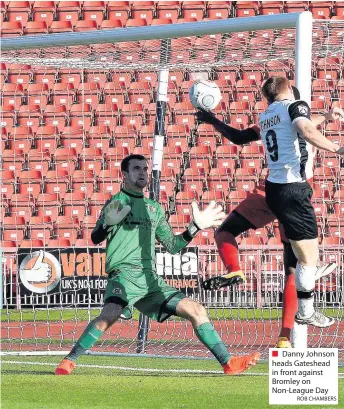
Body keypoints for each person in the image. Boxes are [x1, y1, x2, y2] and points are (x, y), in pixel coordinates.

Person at [55, 154, 261, 375]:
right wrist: (106, 224)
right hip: (124, 275)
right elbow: (96, 237)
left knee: (196, 309)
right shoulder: (117, 202)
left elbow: (173, 245)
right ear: (124, 175)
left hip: (151, 280)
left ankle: (228, 363)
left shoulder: (154, 208)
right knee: (109, 315)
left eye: (145, 169)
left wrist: (195, 227)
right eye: (136, 169)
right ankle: (69, 361)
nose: (143, 173)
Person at [196, 84, 343, 347]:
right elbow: (306, 127)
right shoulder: (296, 117)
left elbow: (239, 137)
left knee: (224, 231)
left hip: (268, 191)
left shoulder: (268, 118)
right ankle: (286, 336)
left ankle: (235, 269)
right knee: (294, 268)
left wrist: (211, 120)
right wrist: (336, 147)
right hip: (295, 192)